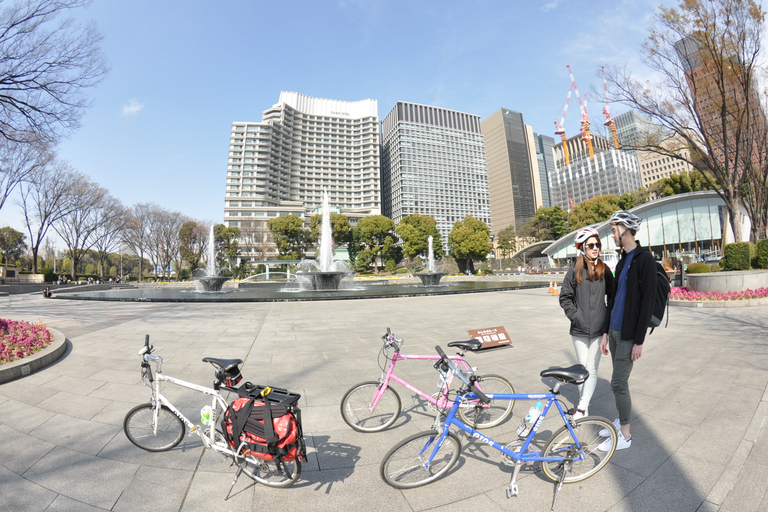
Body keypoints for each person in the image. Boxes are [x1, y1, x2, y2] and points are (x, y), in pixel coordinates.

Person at [598, 210, 656, 451]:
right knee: (618, 381)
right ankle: (621, 419)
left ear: (626, 229)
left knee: (618, 383)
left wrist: (639, 341)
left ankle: (625, 435)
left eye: (613, 230)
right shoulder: (622, 261)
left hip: (629, 334)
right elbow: (613, 299)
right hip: (613, 330)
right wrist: (604, 331)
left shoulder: (645, 260)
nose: (611, 235)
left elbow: (647, 303)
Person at [559, 227, 614, 420]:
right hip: (579, 329)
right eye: (591, 245)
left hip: (599, 329)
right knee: (583, 369)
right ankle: (585, 405)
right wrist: (576, 316)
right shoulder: (575, 270)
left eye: (597, 244)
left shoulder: (604, 270)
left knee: (591, 367)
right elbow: (565, 297)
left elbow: (613, 298)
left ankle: (582, 406)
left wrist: (607, 328)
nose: (595, 248)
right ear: (582, 248)